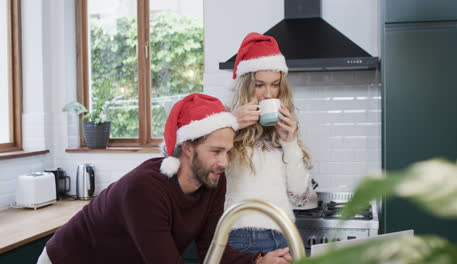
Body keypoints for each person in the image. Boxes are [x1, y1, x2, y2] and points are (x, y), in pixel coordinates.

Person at [37, 93, 292, 264]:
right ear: (188, 148)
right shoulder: (144, 189)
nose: (224, 162)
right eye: (216, 151)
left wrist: (258, 260)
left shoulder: (212, 179)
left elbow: (213, 249)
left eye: (228, 152)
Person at [225, 32, 318, 254]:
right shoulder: (225, 123)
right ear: (246, 86)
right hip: (243, 236)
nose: (268, 94)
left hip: (286, 233)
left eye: (275, 85)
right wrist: (230, 125)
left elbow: (301, 198)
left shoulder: (284, 132)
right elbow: (187, 158)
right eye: (259, 85)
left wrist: (290, 142)